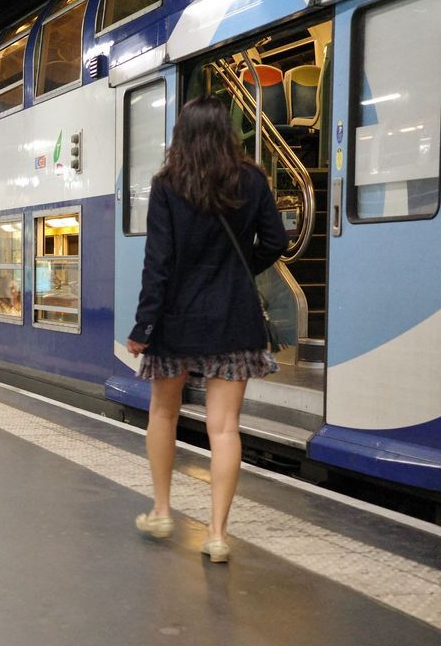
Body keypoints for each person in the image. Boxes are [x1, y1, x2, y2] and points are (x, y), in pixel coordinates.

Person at [126, 97, 288, 564]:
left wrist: (144, 325)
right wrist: (240, 274)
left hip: (175, 319)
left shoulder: (167, 185)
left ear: (182, 133)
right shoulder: (253, 179)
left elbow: (158, 263)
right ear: (227, 132)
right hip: (233, 318)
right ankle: (217, 535)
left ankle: (161, 511)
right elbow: (275, 242)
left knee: (163, 414)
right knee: (224, 428)